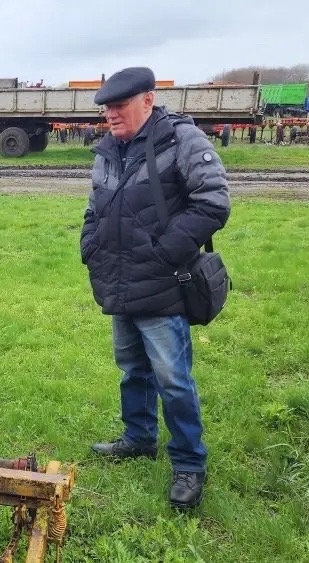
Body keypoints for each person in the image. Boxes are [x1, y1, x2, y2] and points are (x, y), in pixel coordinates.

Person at [79, 66, 231, 510]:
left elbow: (214, 202)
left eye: (119, 105)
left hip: (163, 284)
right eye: (106, 107)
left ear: (148, 100)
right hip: (119, 282)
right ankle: (139, 438)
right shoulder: (107, 150)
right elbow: (94, 208)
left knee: (173, 378)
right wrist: (90, 245)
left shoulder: (182, 140)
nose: (110, 114)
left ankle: (188, 464)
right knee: (132, 368)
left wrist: (165, 251)